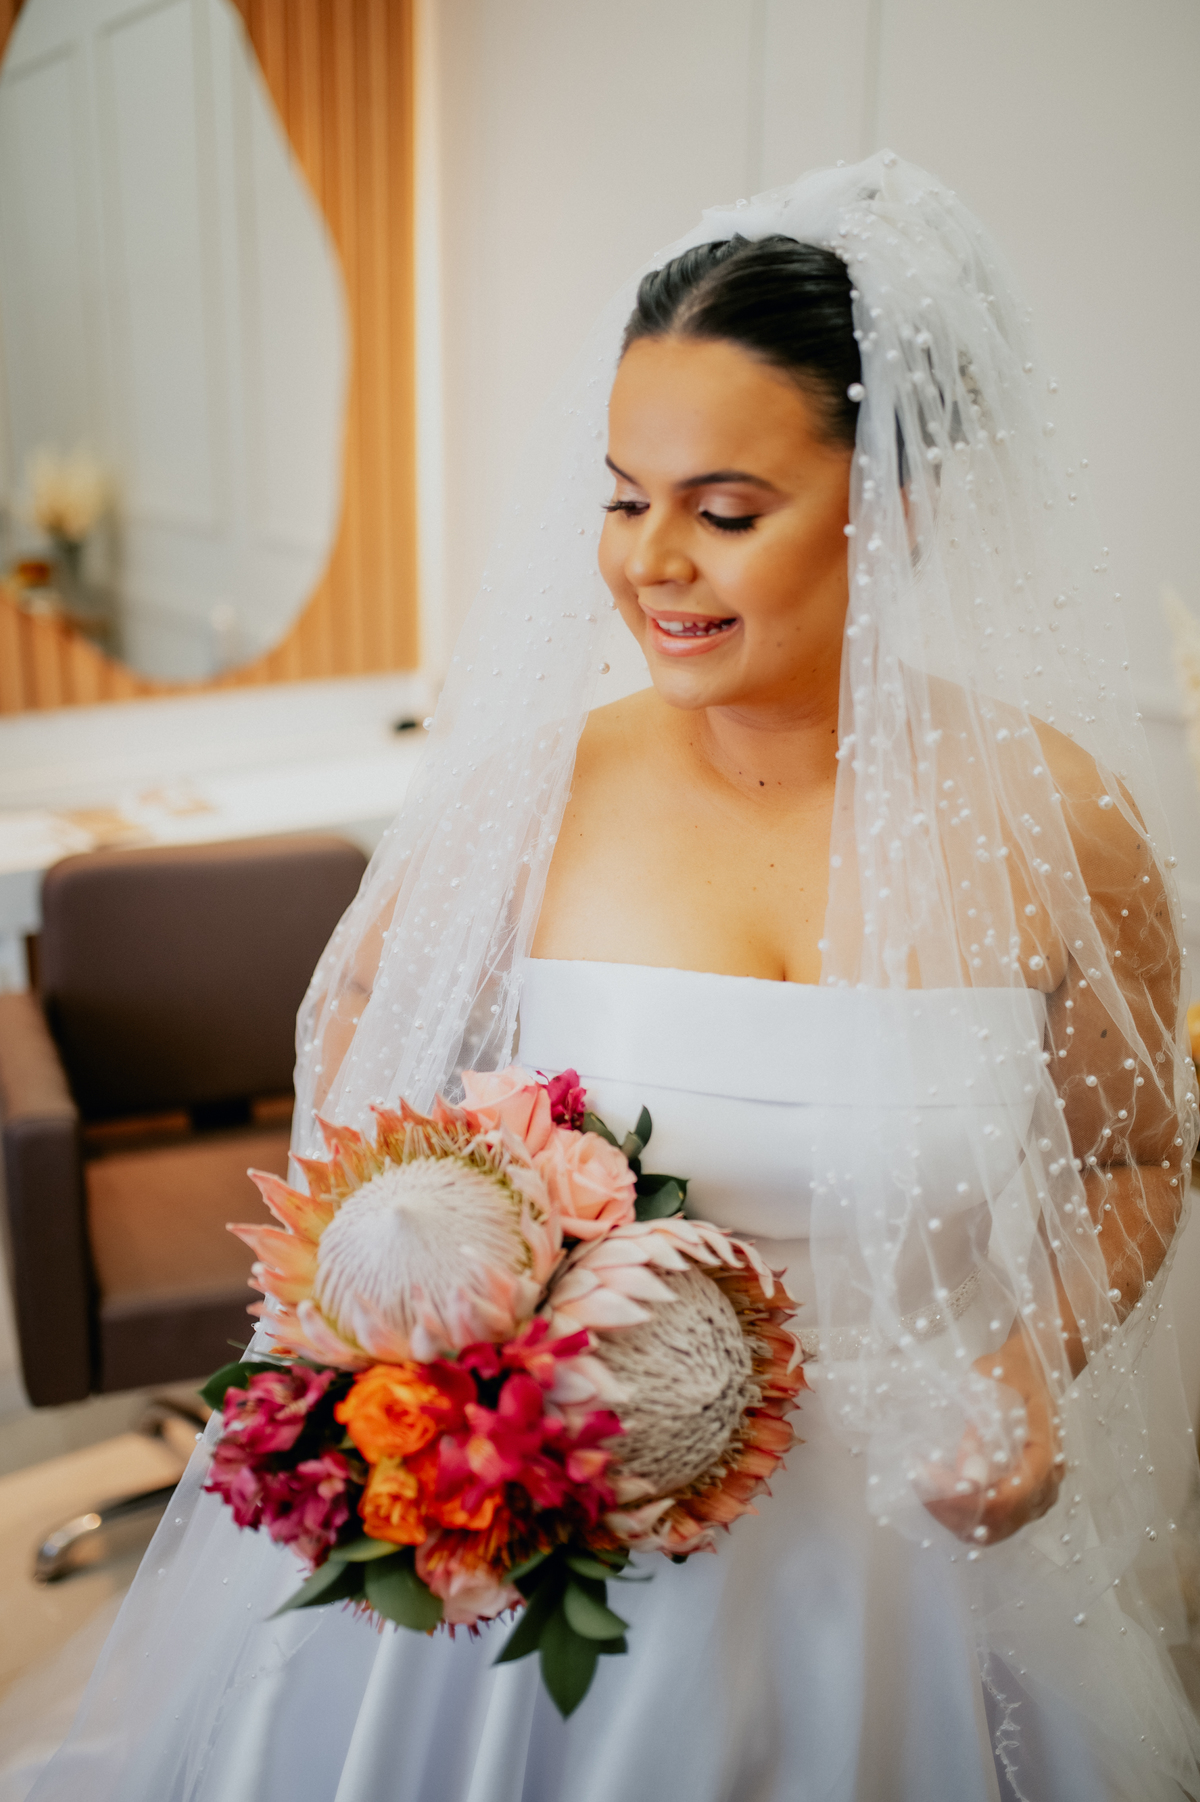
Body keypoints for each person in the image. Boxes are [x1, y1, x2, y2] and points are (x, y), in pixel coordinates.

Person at [22, 154, 1200, 1802]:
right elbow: (358, 1057)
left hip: (909, 1562)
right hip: (555, 1543)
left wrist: (1031, 1356)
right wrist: (434, 1316)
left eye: (724, 511)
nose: (650, 560)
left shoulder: (1063, 826)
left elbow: (1134, 1153)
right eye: (623, 495)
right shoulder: (531, 797)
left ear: (899, 509)